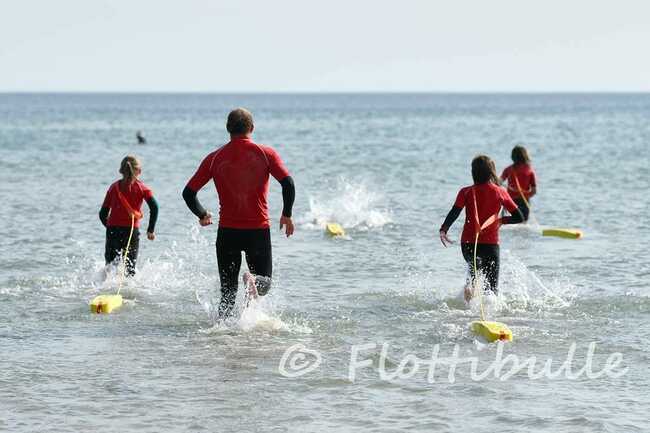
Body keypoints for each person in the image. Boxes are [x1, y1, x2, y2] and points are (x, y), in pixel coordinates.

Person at [182, 108, 295, 318]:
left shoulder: (215, 158)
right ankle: (251, 281)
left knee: (227, 293)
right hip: (257, 232)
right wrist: (286, 214)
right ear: (252, 128)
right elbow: (288, 183)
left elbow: (188, 193)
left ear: (227, 129)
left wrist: (202, 214)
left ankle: (223, 334)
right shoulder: (266, 154)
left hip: (227, 233)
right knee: (264, 284)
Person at [439, 155, 523, 301]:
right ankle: (489, 312)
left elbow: (454, 212)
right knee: (492, 288)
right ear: (492, 172)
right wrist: (501, 220)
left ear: (473, 172)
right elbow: (520, 216)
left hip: (469, 243)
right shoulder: (500, 191)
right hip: (491, 245)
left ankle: (468, 302)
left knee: (474, 272)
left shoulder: (465, 192)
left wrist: (443, 230)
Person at [99, 155, 158, 276]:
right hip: (131, 231)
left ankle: (105, 290)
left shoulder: (113, 187)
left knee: (110, 267)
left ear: (121, 170)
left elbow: (102, 214)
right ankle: (129, 292)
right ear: (139, 171)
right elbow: (155, 207)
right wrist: (150, 230)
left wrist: (111, 227)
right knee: (130, 269)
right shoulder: (143, 188)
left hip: (112, 230)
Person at [500, 145, 536, 221]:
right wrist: (523, 194)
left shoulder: (508, 169)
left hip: (510, 201)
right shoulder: (530, 170)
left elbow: (499, 182)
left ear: (513, 157)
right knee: (522, 222)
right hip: (524, 202)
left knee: (507, 221)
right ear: (525, 156)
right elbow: (534, 191)